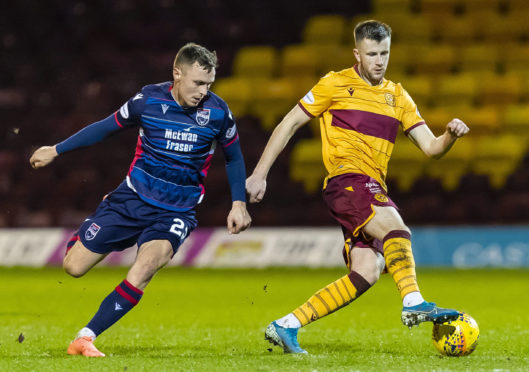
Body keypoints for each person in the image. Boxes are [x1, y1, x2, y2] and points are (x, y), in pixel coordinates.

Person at [246, 20, 470, 354]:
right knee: (397, 228)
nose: (379, 61)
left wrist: (449, 136)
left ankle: (286, 325)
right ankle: (413, 301)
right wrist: (259, 174)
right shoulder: (334, 84)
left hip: (370, 185)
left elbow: (432, 149)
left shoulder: (399, 96)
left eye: (384, 53)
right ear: (357, 53)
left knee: (367, 270)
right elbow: (289, 123)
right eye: (372, 54)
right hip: (347, 180)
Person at [30, 43, 251, 357]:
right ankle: (94, 230)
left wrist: (238, 203)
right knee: (73, 267)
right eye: (198, 83)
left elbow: (234, 158)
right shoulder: (147, 100)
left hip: (176, 211)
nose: (204, 91)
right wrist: (56, 150)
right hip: (130, 200)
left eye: (209, 84)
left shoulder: (218, 113)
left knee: (147, 266)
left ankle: (86, 337)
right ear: (177, 74)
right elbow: (105, 128)